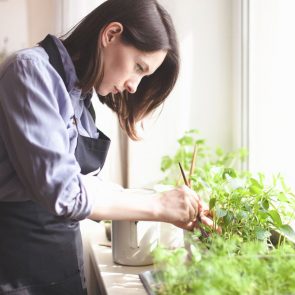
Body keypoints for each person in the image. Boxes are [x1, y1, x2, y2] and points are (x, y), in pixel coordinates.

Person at [0, 0, 213, 294]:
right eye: (138, 67)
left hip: (60, 268)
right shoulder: (30, 73)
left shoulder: (80, 98)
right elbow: (65, 193)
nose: (134, 87)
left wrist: (169, 201)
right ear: (111, 34)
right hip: (19, 271)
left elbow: (88, 186)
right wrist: (159, 206)